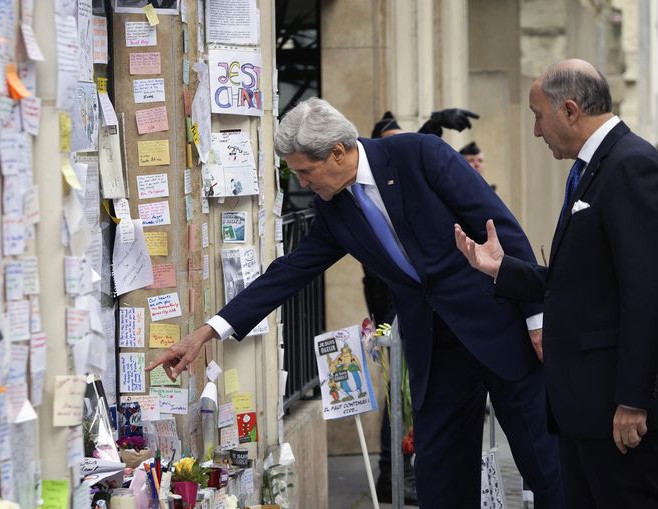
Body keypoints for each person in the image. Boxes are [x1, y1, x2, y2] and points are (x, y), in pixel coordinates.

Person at [147, 97, 565, 508]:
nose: (304, 184)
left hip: (501, 329)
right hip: (437, 353)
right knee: (441, 485)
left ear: (338, 152)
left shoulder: (419, 155)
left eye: (307, 172)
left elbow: (501, 230)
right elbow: (289, 271)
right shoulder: (334, 210)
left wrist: (535, 317)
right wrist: (208, 330)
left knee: (547, 470)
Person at [455, 58, 658, 508]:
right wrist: (501, 268)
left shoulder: (631, 165)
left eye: (537, 115)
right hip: (581, 408)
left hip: (613, 411)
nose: (535, 131)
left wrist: (633, 401)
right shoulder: (593, 167)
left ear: (569, 111)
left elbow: (645, 294)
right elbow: (582, 283)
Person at [366, 108, 482, 505]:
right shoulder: (361, 198)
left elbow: (411, 161)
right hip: (394, 309)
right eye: (391, 141)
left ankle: (409, 470)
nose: (396, 149)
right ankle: (390, 469)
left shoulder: (400, 171)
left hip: (430, 311)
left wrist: (434, 124)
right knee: (398, 393)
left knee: (416, 395)